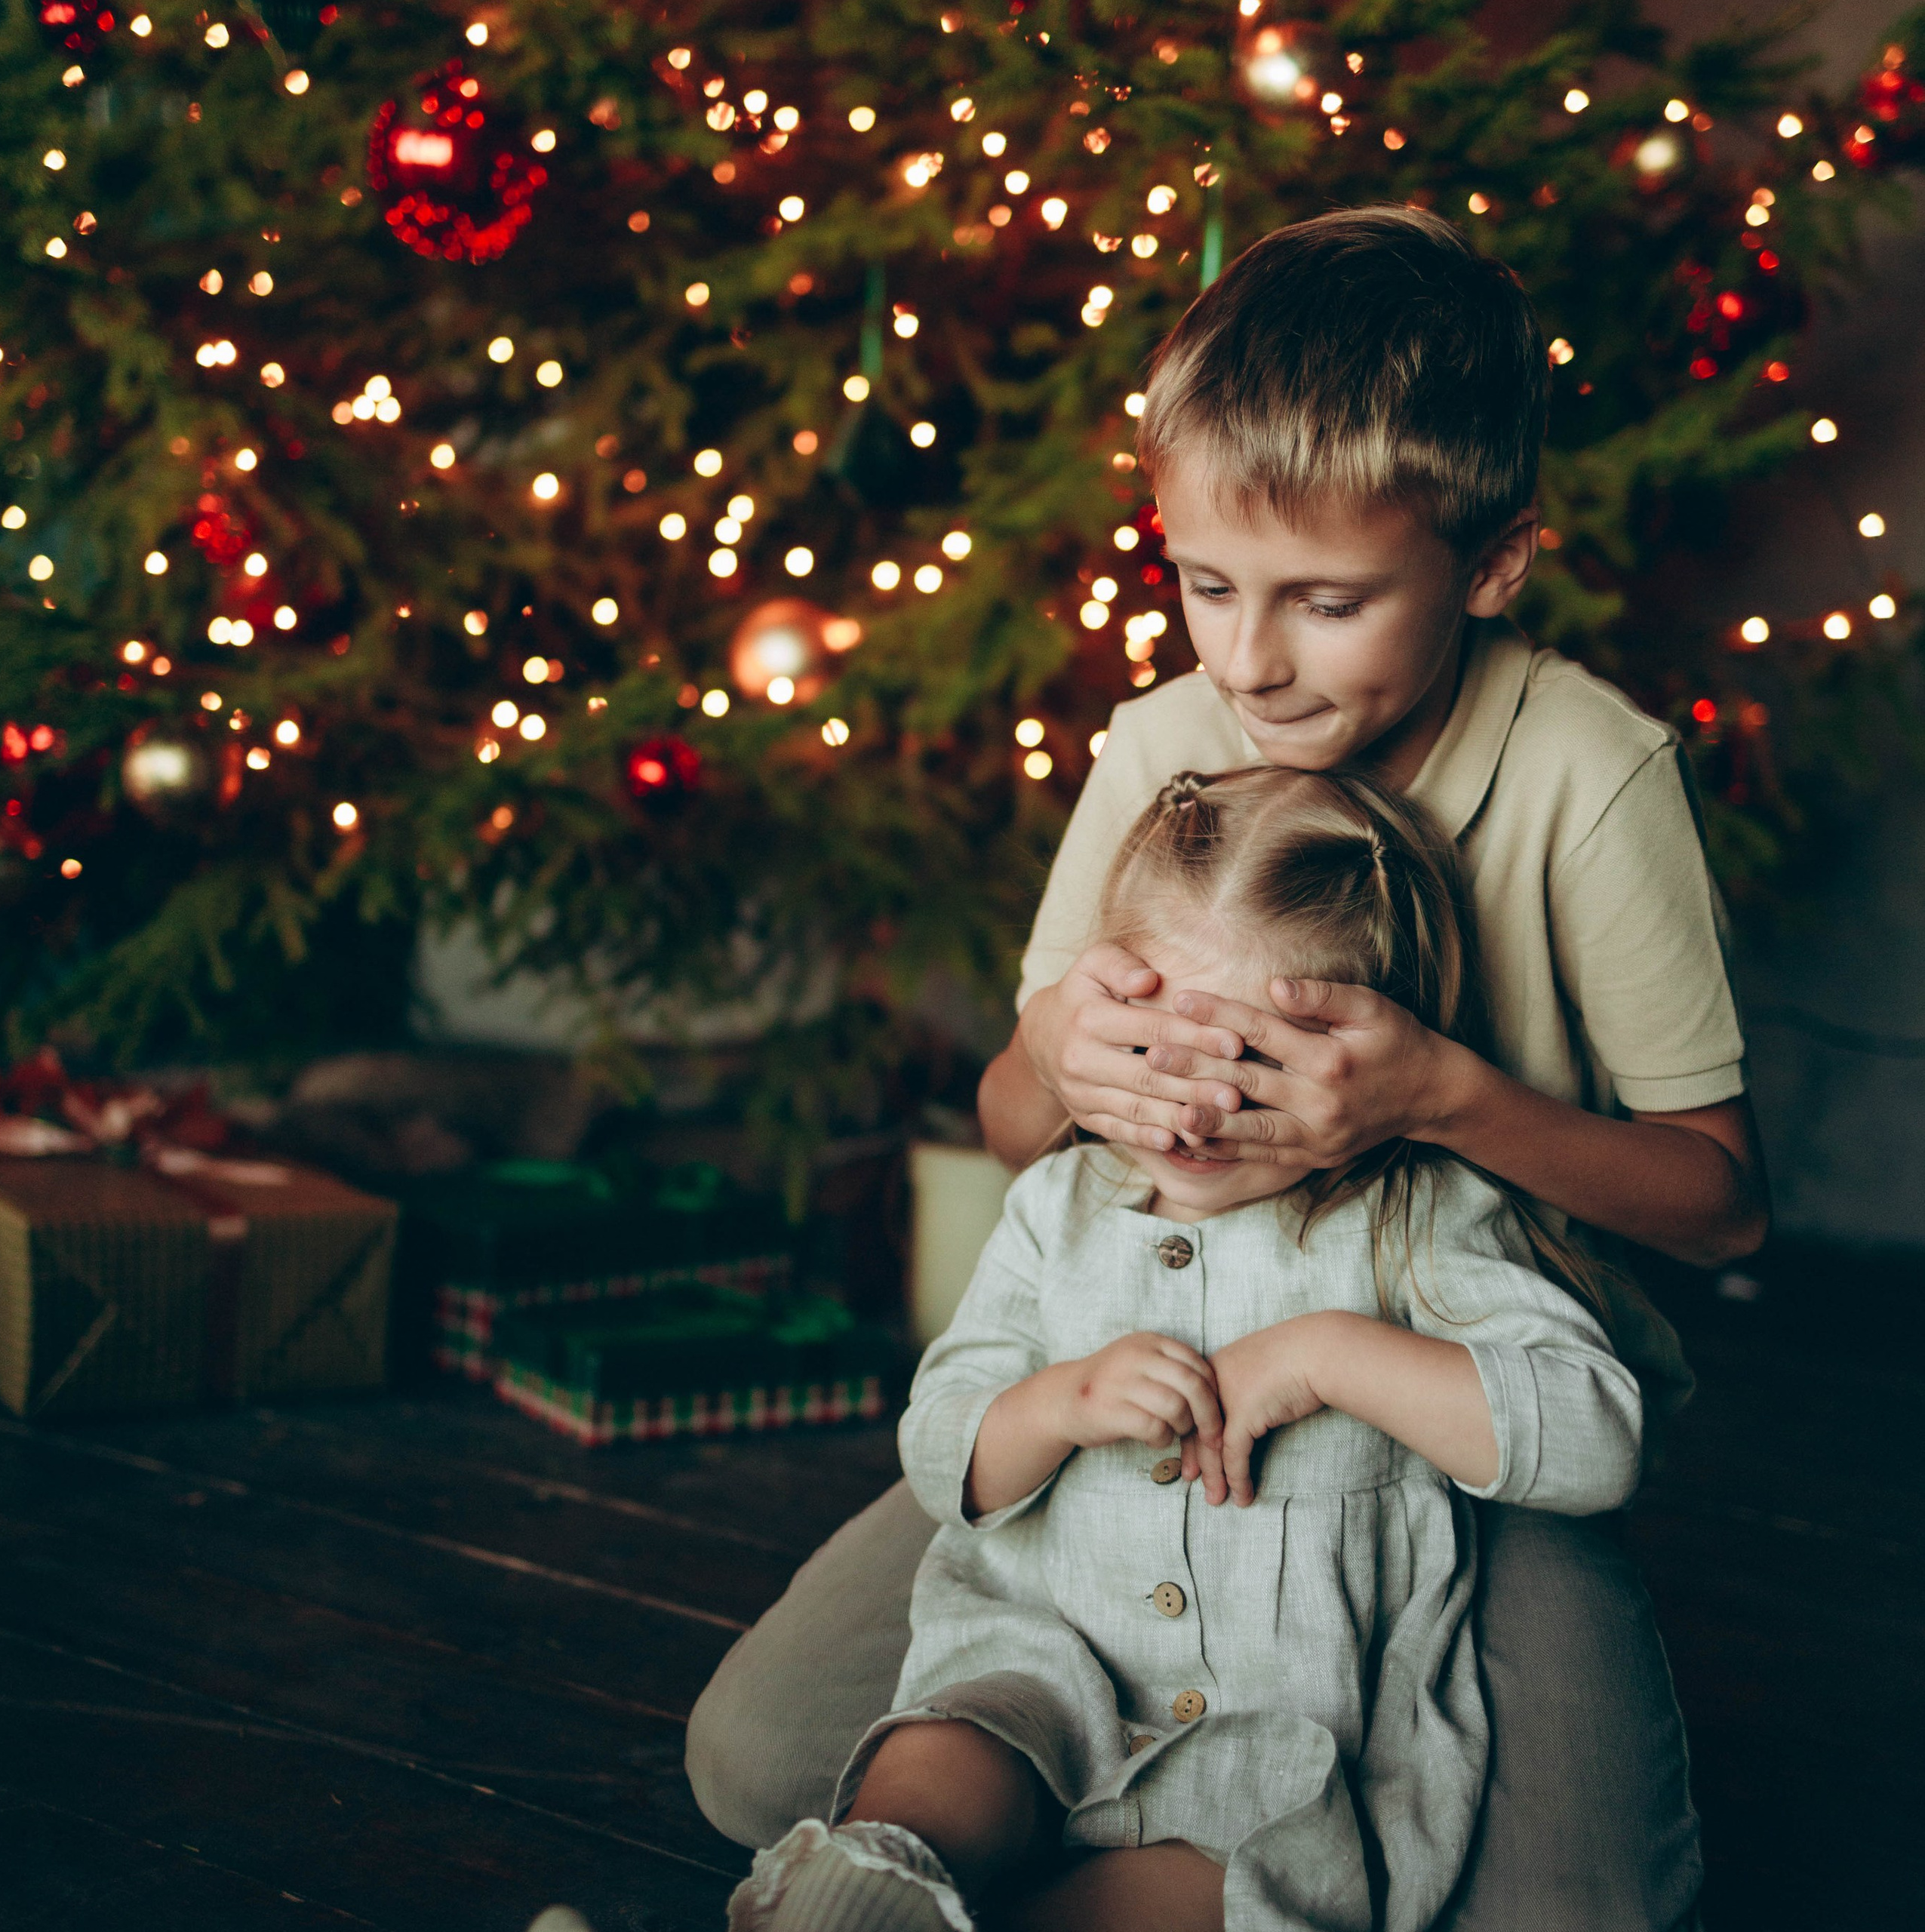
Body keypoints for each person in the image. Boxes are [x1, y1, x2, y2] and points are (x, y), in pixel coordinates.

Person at [689, 206, 1764, 1929]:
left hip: (1455, 1391)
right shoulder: (1166, 745)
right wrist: (1060, 1051)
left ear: (1488, 565)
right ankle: (1133, 1794)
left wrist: (1435, 1095)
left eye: (1324, 600)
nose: (1247, 658)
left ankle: (1209, 1829)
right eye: (1202, 583)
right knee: (757, 1760)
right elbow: (1011, 1122)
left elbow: (1716, 1209)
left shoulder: (1582, 769)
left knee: (1572, 1909)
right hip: (1139, 1387)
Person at [726, 768, 1647, 1932]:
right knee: (940, 1769)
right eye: (1159, 1056)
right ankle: (870, 1885)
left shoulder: (1420, 1218)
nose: (1198, 1114)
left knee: (1214, 1903)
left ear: (1361, 1058)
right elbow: (941, 1447)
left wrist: (1332, 1356)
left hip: (1282, 1756)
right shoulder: (1061, 1203)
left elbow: (1595, 1437)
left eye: (1256, 1068)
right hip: (1037, 1670)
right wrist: (1055, 1404)